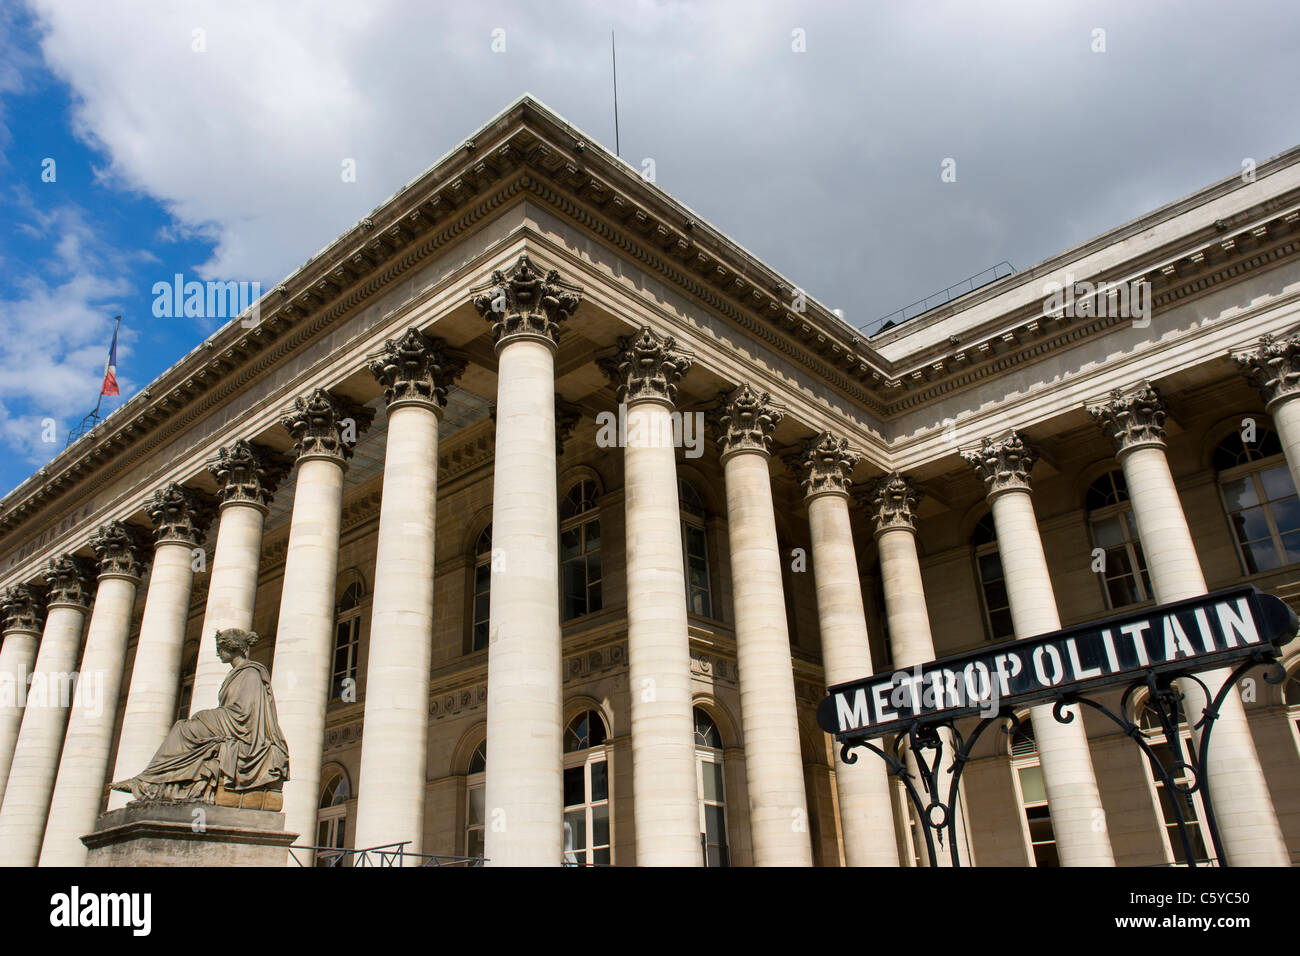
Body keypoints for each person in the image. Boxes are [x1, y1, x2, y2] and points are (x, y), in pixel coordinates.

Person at [112, 627, 289, 802]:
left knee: (184, 729)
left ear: (233, 647)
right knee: (183, 727)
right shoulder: (236, 674)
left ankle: (147, 780)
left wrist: (208, 716)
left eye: (221, 648)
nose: (218, 653)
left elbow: (246, 713)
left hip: (241, 729)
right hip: (230, 724)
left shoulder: (251, 673)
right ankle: (153, 781)